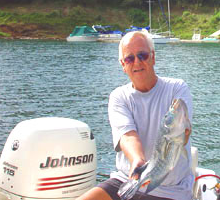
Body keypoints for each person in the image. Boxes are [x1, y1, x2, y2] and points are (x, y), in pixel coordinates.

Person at [77, 31, 193, 200]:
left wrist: (184, 133)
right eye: (129, 58)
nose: (137, 62)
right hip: (128, 180)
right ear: (123, 65)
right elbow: (127, 136)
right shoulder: (119, 97)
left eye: (143, 55)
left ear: (153, 57)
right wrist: (137, 162)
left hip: (171, 190)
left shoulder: (177, 88)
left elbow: (182, 131)